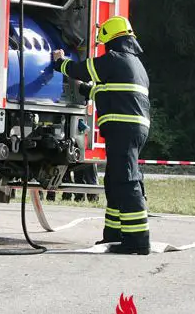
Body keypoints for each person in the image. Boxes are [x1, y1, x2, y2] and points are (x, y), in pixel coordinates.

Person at [52, 15, 151, 255]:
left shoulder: (115, 59)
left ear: (111, 38)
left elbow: (80, 69)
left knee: (126, 181)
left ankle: (138, 240)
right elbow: (109, 92)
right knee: (114, 181)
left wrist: (60, 62)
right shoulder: (134, 64)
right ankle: (114, 236)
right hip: (130, 129)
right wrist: (86, 90)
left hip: (123, 130)